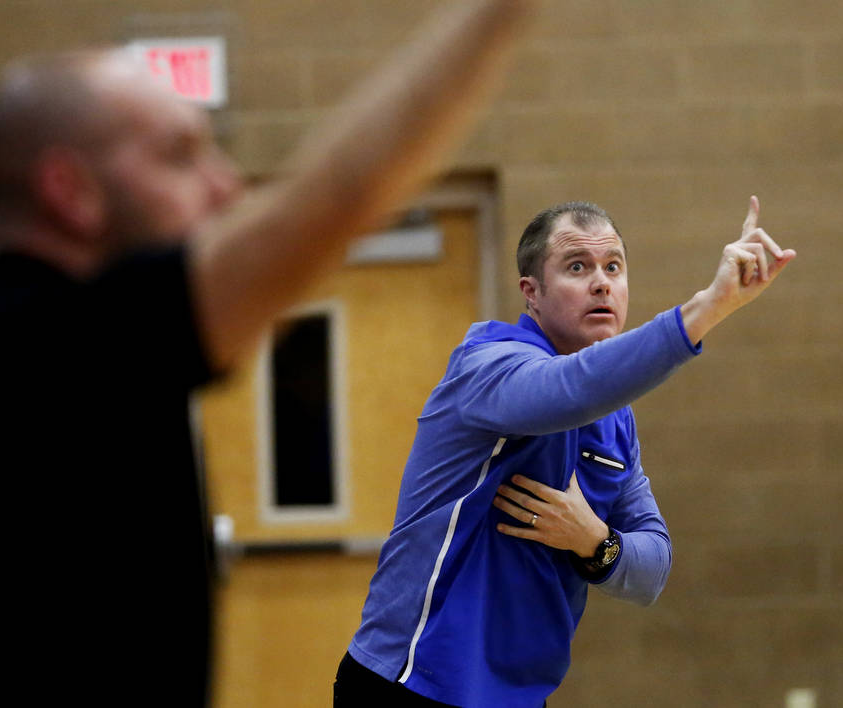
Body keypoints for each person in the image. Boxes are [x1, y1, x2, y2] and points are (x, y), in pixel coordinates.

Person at [0, 1, 542, 704]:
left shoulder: (22, 347)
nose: (227, 187)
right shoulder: (43, 344)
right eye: (180, 156)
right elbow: (339, 199)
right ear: (70, 189)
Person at [337, 199, 796, 707]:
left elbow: (652, 568)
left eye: (613, 267)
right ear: (532, 293)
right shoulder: (487, 367)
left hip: (518, 697)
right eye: (578, 267)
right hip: (409, 683)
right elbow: (570, 387)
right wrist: (708, 307)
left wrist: (594, 540)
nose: (602, 282)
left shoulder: (616, 418)